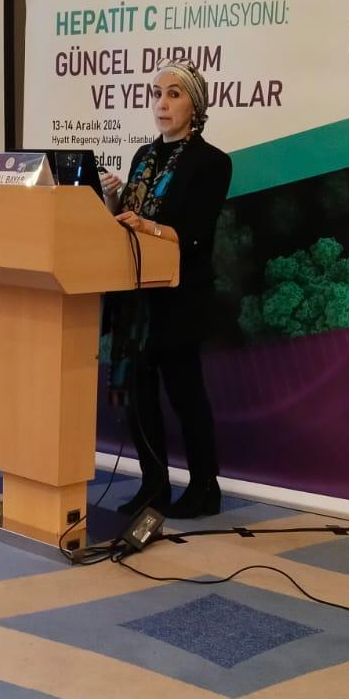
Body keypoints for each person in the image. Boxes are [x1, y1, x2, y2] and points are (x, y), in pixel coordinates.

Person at [99, 59, 231, 519]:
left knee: (185, 395)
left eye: (174, 94)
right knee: (139, 395)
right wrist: (113, 197)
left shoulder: (212, 163)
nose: (162, 103)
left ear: (196, 105)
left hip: (180, 297)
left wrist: (148, 226)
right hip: (137, 296)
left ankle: (205, 488)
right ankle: (153, 485)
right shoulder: (144, 156)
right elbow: (127, 222)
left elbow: (194, 232)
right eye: (157, 93)